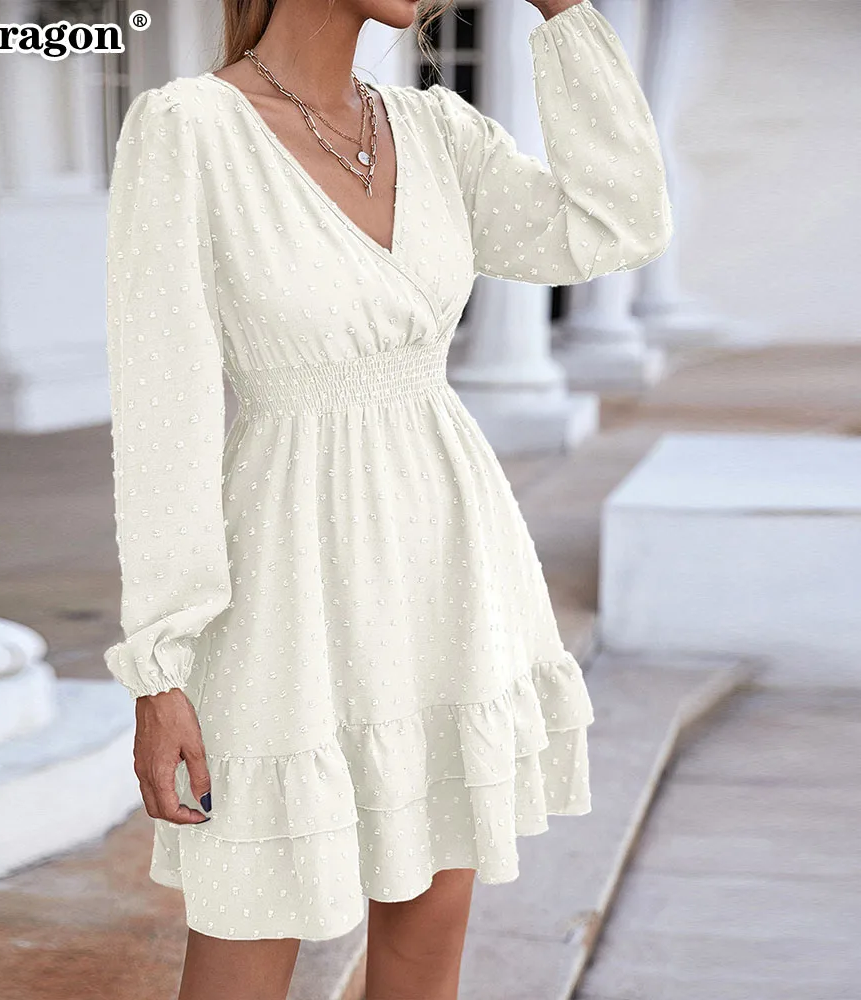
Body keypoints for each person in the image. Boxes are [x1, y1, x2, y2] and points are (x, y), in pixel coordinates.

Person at [103, 0, 672, 996]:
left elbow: (615, 222)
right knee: (251, 918)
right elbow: (163, 413)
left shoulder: (435, 130)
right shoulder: (189, 129)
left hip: (448, 560)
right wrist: (160, 663)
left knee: (426, 935)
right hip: (287, 578)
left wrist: (562, 12)